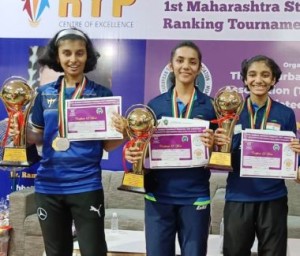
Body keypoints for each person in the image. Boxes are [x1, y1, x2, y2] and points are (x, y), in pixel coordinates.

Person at [14, 28, 127, 256]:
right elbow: (37, 137)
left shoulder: (101, 94)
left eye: (79, 53)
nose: (73, 59)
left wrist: (125, 133)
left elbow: (107, 145)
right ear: (57, 56)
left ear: (88, 56)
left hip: (86, 184)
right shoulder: (43, 93)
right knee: (56, 252)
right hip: (49, 185)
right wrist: (19, 133)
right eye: (67, 53)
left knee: (93, 251)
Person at [125, 41, 216, 256]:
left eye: (192, 62)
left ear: (199, 68)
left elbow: (221, 154)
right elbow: (146, 146)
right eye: (180, 60)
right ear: (171, 65)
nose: (186, 66)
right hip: (159, 194)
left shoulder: (212, 106)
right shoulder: (155, 105)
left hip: (195, 194)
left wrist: (214, 145)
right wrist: (135, 153)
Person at [214, 55, 300, 256]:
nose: (258, 80)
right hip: (238, 196)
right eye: (252, 75)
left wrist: (296, 152)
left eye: (265, 75)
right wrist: (221, 145)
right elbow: (221, 155)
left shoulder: (286, 113)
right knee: (234, 252)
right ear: (244, 79)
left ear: (274, 80)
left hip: (273, 197)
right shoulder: (230, 111)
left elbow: (290, 158)